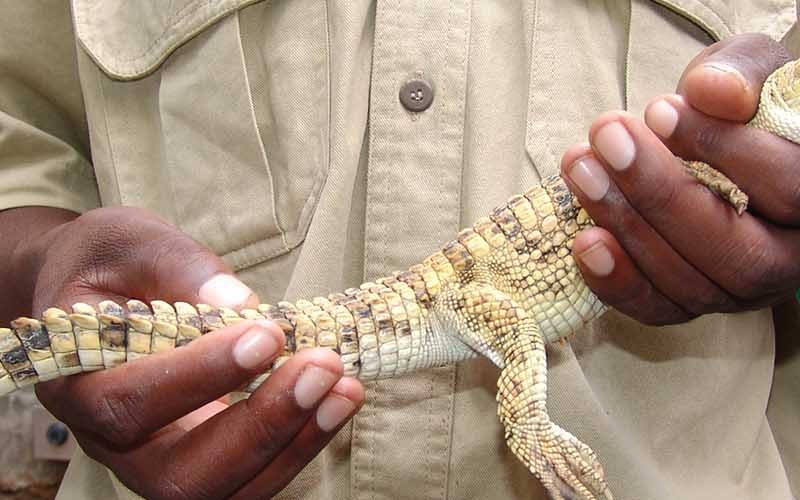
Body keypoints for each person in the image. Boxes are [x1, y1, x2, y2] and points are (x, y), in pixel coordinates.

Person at [1, 1, 799, 499]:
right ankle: (529, 425)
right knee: (507, 324)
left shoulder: (737, 129)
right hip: (460, 298)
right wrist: (43, 262)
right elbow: (19, 144)